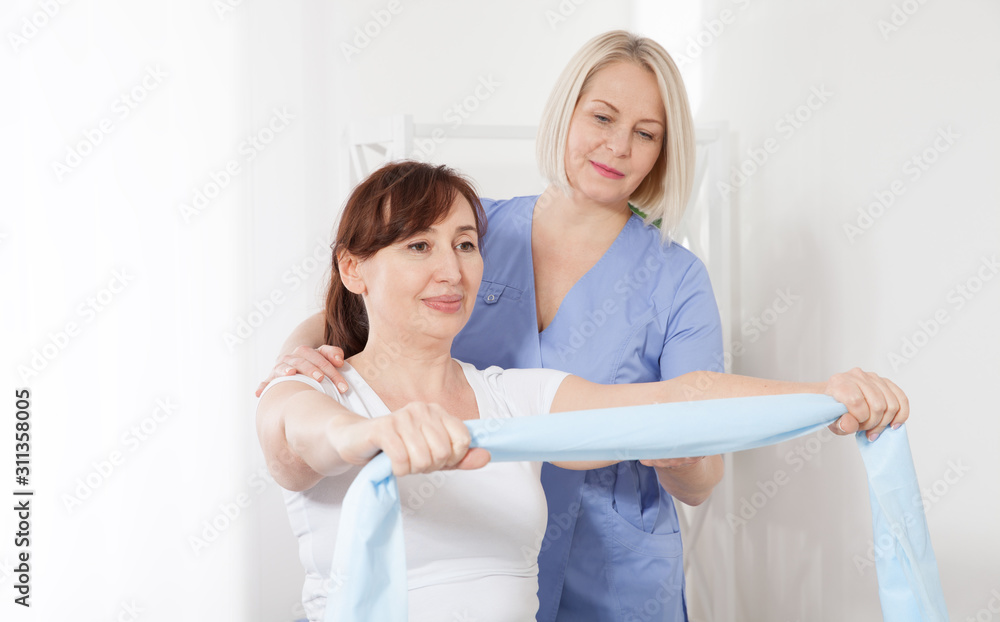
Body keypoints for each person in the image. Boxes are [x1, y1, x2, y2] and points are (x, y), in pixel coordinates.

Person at [256, 31, 904, 621]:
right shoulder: (472, 228)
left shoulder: (655, 295)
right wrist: (296, 370)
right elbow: (349, 331)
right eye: (601, 117)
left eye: (646, 133)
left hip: (615, 569)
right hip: (466, 519)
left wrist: (824, 396)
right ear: (566, 111)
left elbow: (691, 405)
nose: (618, 147)